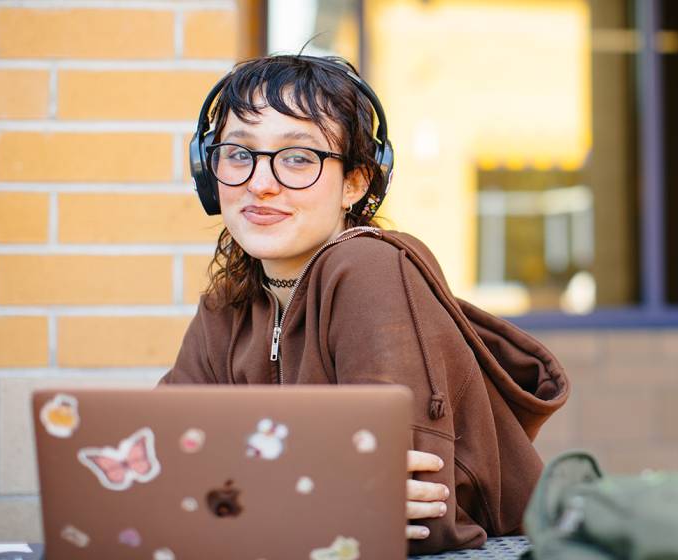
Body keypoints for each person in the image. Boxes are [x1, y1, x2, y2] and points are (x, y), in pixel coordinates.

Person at [159, 53, 570, 555]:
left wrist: (235, 489)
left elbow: (413, 515)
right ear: (208, 170)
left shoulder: (368, 270)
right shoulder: (229, 304)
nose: (260, 183)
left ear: (355, 183)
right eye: (238, 154)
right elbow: (161, 466)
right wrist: (310, 493)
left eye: (298, 158)